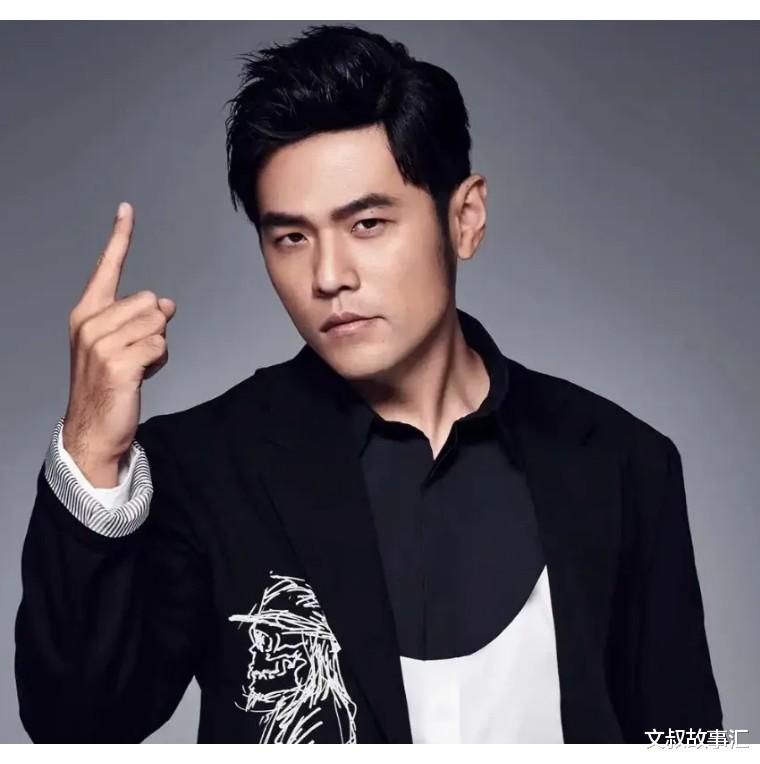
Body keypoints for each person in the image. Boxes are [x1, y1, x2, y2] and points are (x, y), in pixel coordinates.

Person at [14, 24, 723, 743]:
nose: (328, 277)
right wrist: (91, 450)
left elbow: (686, 738)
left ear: (465, 219)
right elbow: (76, 731)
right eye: (291, 237)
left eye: (368, 223)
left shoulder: (619, 461)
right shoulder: (205, 467)